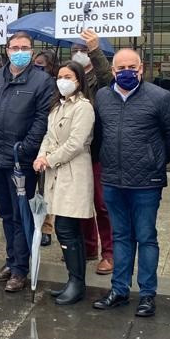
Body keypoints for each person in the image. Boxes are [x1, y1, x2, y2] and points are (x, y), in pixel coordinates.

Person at [93, 48, 170, 317]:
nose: (127, 72)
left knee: (146, 237)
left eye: (132, 67)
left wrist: (155, 160)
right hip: (113, 179)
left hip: (146, 181)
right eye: (121, 68)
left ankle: (147, 294)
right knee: (120, 236)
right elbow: (99, 134)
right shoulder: (102, 97)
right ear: (113, 71)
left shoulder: (160, 97)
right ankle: (119, 289)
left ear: (142, 68)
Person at [0, 31, 54, 292]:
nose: (19, 51)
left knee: (22, 214)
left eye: (24, 47)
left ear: (32, 51)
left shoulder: (42, 81)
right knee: (6, 213)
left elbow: (41, 119)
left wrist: (26, 148)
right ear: (7, 49)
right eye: (15, 47)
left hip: (20, 159)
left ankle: (20, 269)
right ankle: (10, 261)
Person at [33, 61, 95, 305]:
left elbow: (76, 143)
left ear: (78, 80)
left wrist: (49, 159)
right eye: (60, 76)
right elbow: (49, 136)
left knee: (68, 229)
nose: (63, 80)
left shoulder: (83, 107)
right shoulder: (56, 106)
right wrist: (40, 155)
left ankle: (77, 282)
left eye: (68, 76)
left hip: (73, 172)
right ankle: (73, 279)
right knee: (64, 229)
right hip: (55, 173)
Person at [71, 29, 115, 275]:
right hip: (75, 151)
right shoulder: (69, 80)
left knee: (102, 204)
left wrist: (95, 50)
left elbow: (108, 78)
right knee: (81, 201)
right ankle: (88, 246)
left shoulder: (102, 82)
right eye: (75, 50)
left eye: (83, 50)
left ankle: (108, 252)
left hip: (98, 150)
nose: (79, 54)